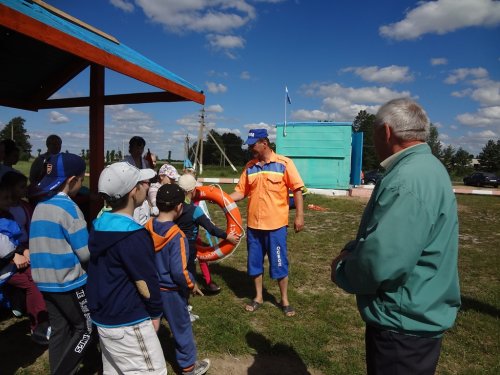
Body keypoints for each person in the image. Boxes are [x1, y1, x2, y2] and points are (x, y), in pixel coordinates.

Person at [331, 98, 460, 375]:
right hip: (417, 315)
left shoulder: (407, 178)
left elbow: (382, 261)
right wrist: (357, 248)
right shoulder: (429, 168)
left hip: (401, 325)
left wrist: (342, 270)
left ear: (386, 132)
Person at [87, 162, 167, 374]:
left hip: (104, 317)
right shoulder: (133, 235)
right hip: (129, 322)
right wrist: (156, 313)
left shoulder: (98, 225)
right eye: (143, 183)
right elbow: (145, 280)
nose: (147, 186)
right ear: (134, 191)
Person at [29, 152, 94, 375]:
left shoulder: (40, 205)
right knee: (85, 329)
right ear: (71, 181)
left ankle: (59, 368)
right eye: (81, 179)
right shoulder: (70, 209)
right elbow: (85, 254)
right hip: (69, 283)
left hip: (45, 283)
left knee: (60, 329)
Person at [229, 128, 304, 317]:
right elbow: (240, 192)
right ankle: (258, 297)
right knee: (254, 263)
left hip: (276, 226)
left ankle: (284, 300)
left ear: (264, 143)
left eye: (253, 145)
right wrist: (222, 198)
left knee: (279, 263)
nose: (250, 148)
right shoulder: (250, 167)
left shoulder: (284, 164)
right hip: (254, 226)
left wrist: (299, 216)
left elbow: (297, 190)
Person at [144, 184, 211, 375]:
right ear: (179, 207)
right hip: (172, 292)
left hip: (150, 289)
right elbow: (179, 271)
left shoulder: (146, 227)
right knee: (182, 329)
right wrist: (191, 285)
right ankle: (189, 367)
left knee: (149, 327)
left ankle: (143, 360)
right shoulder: (178, 236)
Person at [0, 172, 51, 345]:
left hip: (18, 255)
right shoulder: (6, 215)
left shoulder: (16, 210)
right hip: (8, 264)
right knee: (33, 281)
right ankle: (39, 324)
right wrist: (16, 254)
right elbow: (5, 246)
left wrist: (23, 250)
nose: (8, 201)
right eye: (4, 197)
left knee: (35, 275)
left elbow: (12, 240)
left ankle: (35, 313)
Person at [177, 174, 240, 295]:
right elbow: (211, 229)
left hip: (176, 243)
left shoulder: (175, 206)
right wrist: (228, 237)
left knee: (179, 271)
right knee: (189, 272)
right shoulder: (195, 210)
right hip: (189, 246)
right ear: (193, 190)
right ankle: (186, 299)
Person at [123, 136, 153, 225]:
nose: (139, 150)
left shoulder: (146, 163)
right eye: (137, 147)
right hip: (130, 196)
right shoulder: (124, 163)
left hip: (143, 196)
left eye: (141, 147)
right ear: (130, 148)